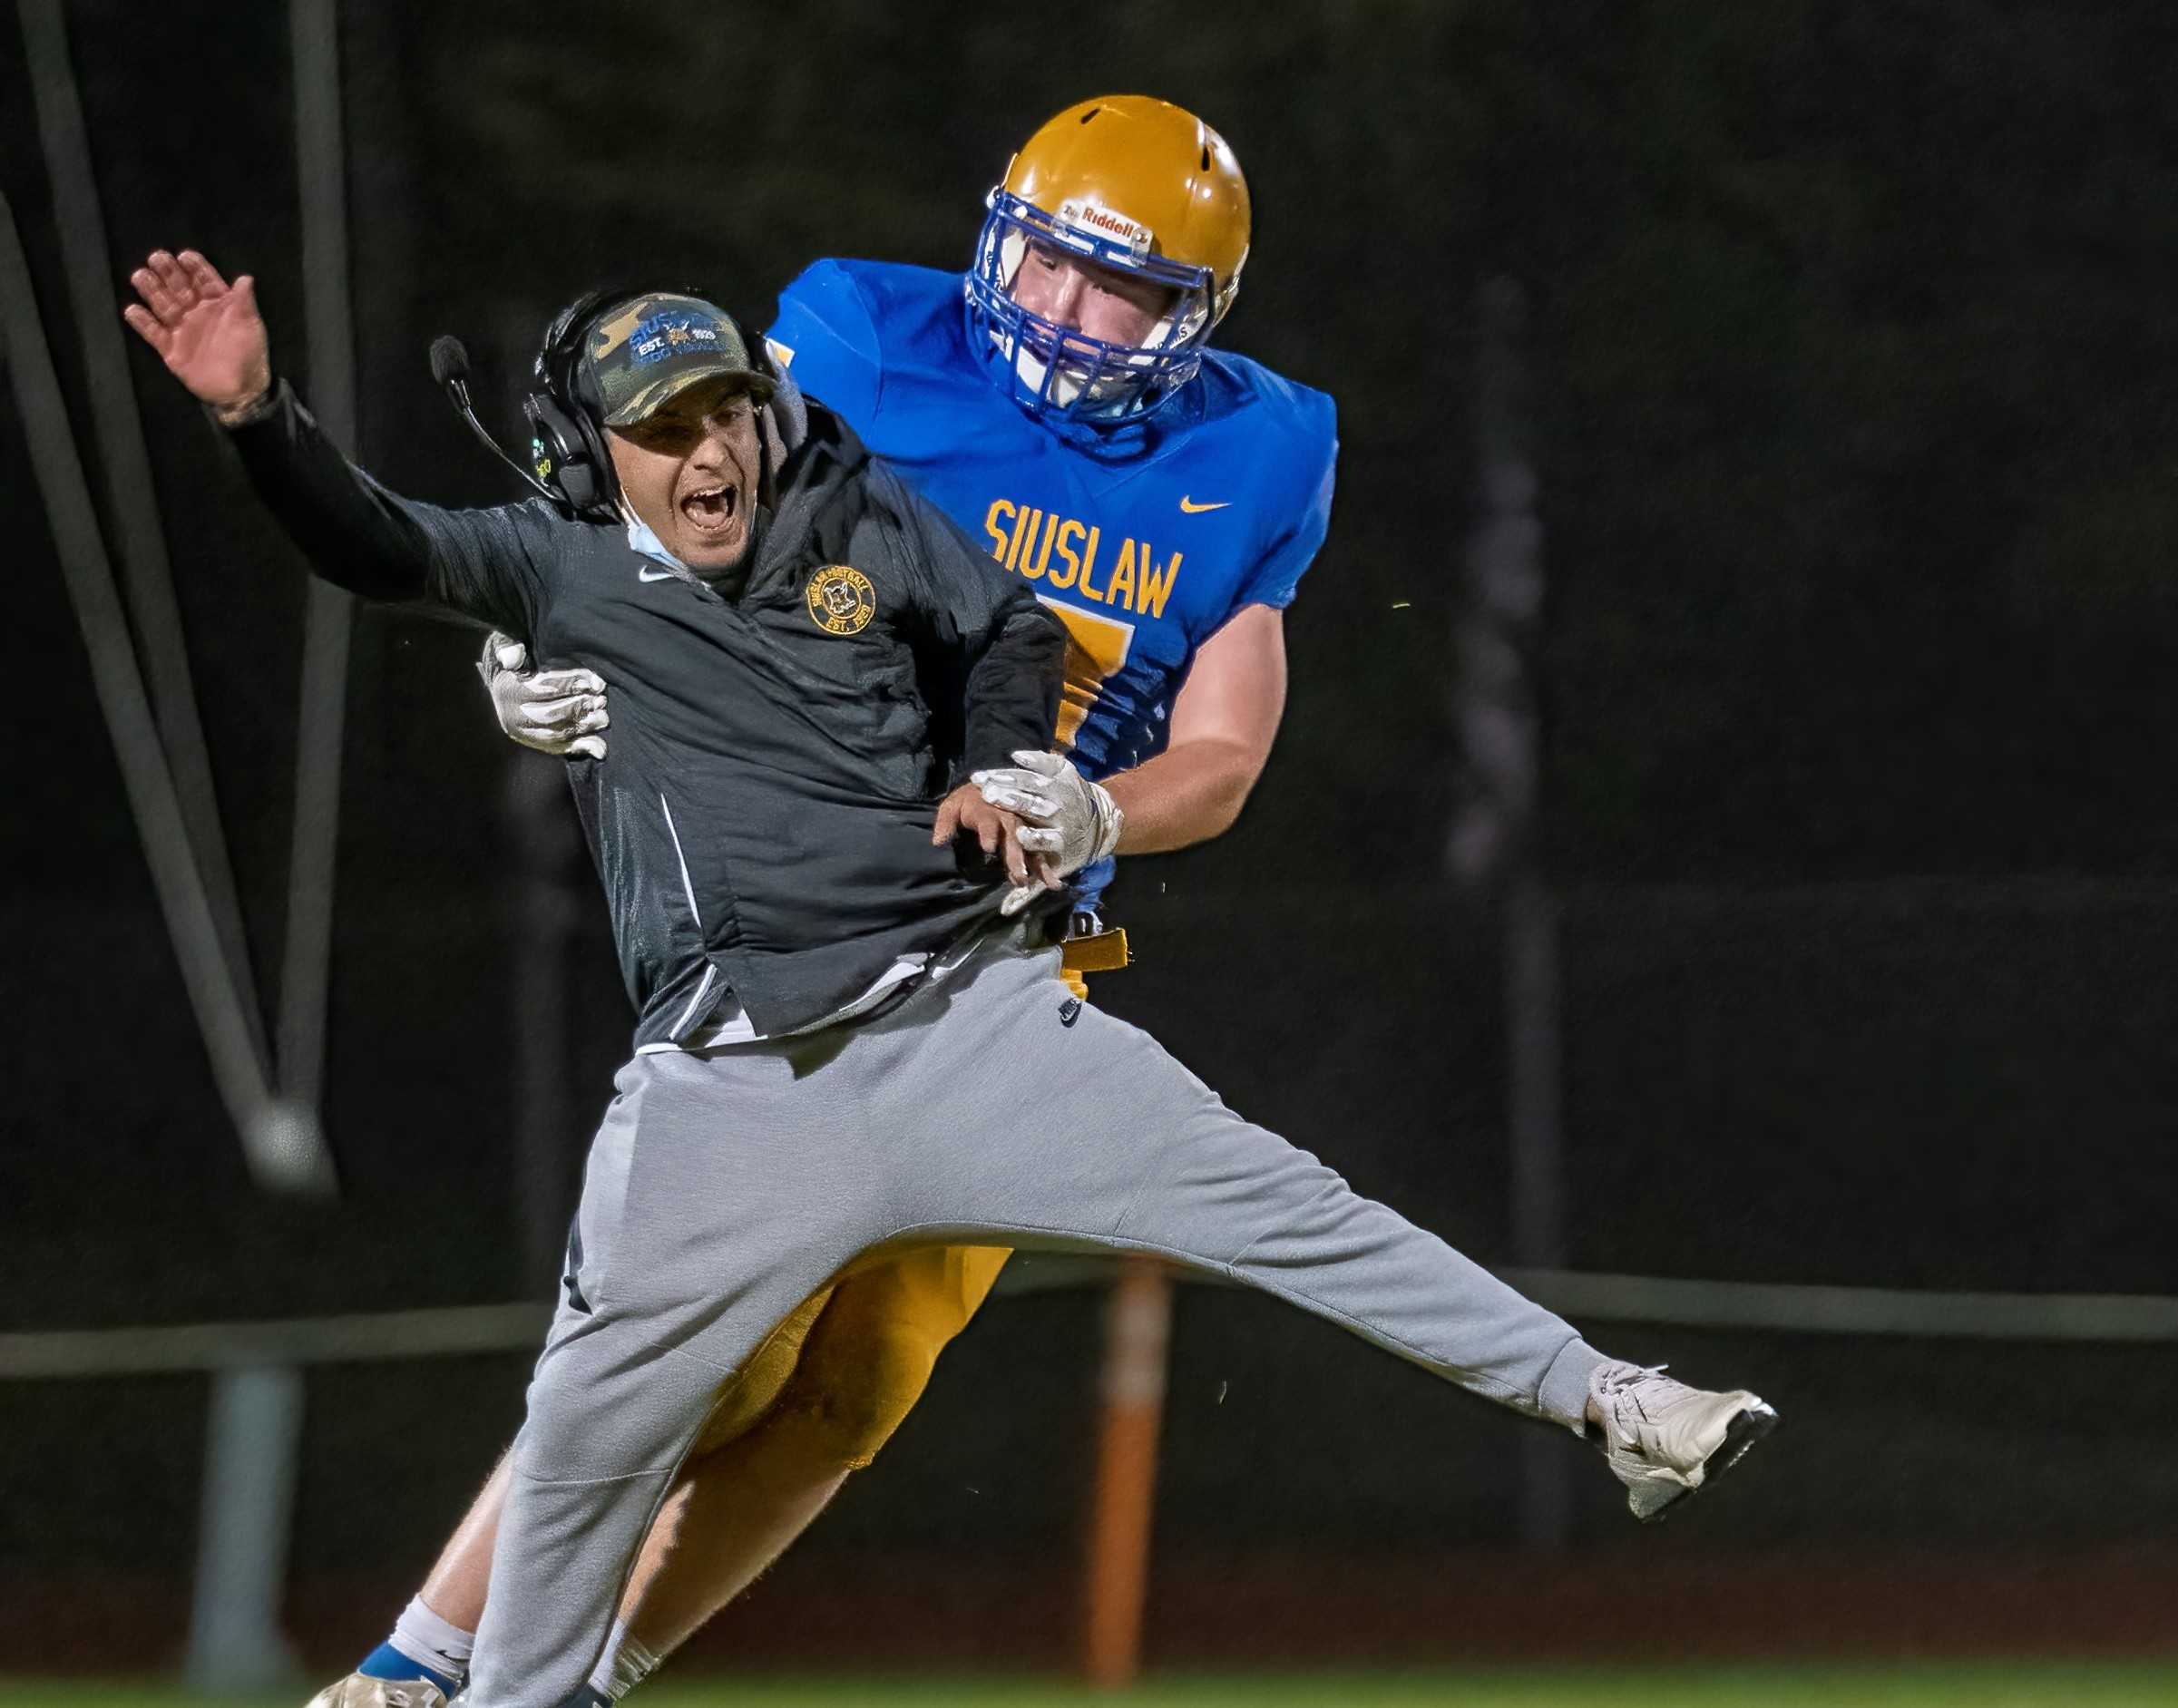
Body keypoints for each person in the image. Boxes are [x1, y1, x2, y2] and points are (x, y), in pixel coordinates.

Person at [126, 242, 1776, 1708]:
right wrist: (268, 421)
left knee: (1252, 1223)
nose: (710, 448)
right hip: (735, 1074)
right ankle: (444, 1677)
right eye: (664, 426)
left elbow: (1013, 638)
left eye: (725, 414)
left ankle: (1606, 1398)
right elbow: (374, 544)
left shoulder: (861, 501)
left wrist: (1035, 779)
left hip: (976, 1004)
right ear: (590, 455)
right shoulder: (585, 553)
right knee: (597, 1425)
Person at [337, 94, 1341, 1708]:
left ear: (1198, 314)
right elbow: (654, 512)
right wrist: (524, 644)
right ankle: (408, 1673)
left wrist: (1096, 802)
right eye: (1062, 270)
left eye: (1133, 292)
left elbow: (1222, 757)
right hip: (817, 917)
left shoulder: (1263, 448)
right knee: (704, 1346)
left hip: (1020, 952)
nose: (1081, 318)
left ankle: (589, 1676)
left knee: (860, 1385)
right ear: (997, 238)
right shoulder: (860, 343)